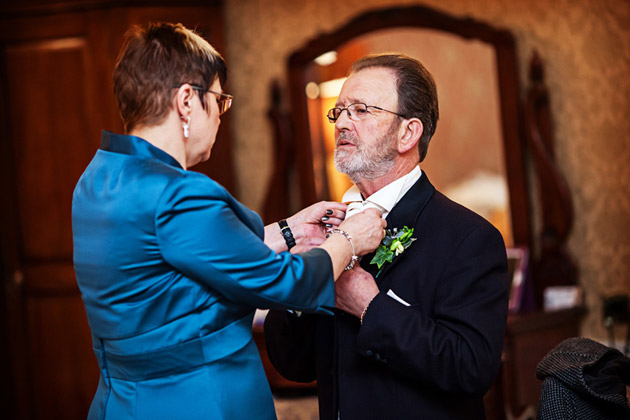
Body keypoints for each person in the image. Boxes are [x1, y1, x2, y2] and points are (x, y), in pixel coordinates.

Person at [71, 22, 386, 420]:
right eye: (218, 101)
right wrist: (350, 239)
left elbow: (185, 261)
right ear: (187, 100)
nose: (220, 117)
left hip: (124, 399)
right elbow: (288, 284)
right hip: (196, 398)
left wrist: (287, 231)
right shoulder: (178, 193)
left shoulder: (99, 179)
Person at [264, 53, 511, 419]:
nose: (342, 122)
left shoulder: (470, 238)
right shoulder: (327, 231)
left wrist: (370, 306)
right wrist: (303, 280)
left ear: (408, 133)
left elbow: (470, 368)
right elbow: (294, 365)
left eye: (361, 110)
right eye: (340, 111)